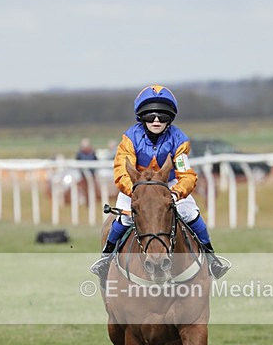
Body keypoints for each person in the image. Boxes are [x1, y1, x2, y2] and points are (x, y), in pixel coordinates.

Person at [90, 85, 231, 279]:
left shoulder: (179, 140)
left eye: (162, 116)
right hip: (136, 187)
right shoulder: (129, 139)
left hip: (169, 186)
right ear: (141, 117)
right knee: (124, 218)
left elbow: (186, 174)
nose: (156, 121)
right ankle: (106, 259)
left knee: (191, 214)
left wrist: (176, 193)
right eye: (150, 116)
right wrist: (137, 191)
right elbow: (121, 170)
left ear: (170, 118)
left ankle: (211, 257)